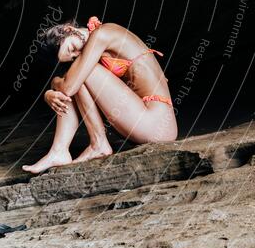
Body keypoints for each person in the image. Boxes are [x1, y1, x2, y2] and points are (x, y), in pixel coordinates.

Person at [22, 16, 177, 174]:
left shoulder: (102, 34)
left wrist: (52, 87)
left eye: (71, 48)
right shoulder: (95, 40)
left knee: (77, 77)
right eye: (73, 56)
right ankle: (59, 150)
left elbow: (68, 87)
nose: (77, 54)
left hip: (157, 123)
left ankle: (98, 144)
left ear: (69, 30)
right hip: (140, 120)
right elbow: (70, 84)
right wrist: (54, 89)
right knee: (76, 76)